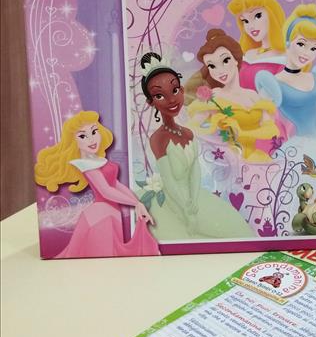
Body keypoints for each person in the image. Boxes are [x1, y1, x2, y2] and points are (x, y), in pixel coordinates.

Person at [141, 52, 252, 239]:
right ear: (151, 102)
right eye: (160, 95)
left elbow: (194, 170)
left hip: (195, 196)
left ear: (182, 90)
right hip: (174, 200)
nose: (171, 99)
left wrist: (193, 200)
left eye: (175, 90)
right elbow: (169, 180)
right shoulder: (158, 138)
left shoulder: (188, 133)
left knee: (231, 228)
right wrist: (185, 207)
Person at [34, 111, 160, 258]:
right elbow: (106, 191)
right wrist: (135, 203)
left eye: (94, 132)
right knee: (100, 257)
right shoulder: (85, 164)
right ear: (74, 141)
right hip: (100, 216)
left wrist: (137, 202)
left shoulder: (97, 160)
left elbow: (115, 184)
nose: (91, 139)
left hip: (109, 214)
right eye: (83, 136)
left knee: (104, 257)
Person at [185, 29, 282, 163]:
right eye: (212, 66)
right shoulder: (214, 96)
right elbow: (189, 129)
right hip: (226, 159)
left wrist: (242, 132)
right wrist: (214, 126)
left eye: (225, 60)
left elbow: (271, 130)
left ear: (236, 59)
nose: (220, 70)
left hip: (254, 158)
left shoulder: (252, 96)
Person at [255, 4, 316, 136]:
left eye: (314, 48)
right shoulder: (272, 84)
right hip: (304, 143)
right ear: (288, 42)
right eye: (301, 44)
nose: (307, 53)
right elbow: (266, 126)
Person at [227, 0, 286, 88]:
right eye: (245, 21)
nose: (250, 26)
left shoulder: (285, 56)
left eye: (257, 16)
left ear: (273, 15)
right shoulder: (248, 54)